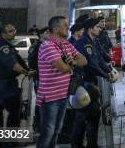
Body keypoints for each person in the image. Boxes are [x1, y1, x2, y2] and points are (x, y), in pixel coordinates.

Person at [36, 16, 87, 148]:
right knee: (47, 133)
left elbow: (84, 60)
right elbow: (63, 68)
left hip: (63, 95)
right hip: (50, 98)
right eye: (65, 25)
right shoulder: (47, 46)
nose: (68, 27)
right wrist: (72, 64)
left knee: (56, 132)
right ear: (56, 28)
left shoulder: (66, 44)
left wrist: (74, 61)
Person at [0, 23, 34, 147]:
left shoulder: (8, 46)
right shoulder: (3, 47)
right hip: (4, 84)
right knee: (14, 113)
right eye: (10, 31)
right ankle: (9, 142)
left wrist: (28, 69)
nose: (13, 32)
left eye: (14, 30)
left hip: (1, 84)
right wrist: (27, 72)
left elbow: (19, 60)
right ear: (3, 34)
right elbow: (13, 65)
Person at [72, 17, 112, 148]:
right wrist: (106, 74)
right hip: (83, 83)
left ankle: (92, 143)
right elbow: (91, 64)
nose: (100, 29)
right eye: (97, 27)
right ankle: (78, 145)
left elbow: (99, 59)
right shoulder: (84, 43)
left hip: (90, 83)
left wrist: (109, 70)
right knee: (82, 116)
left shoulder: (92, 42)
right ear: (90, 29)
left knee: (94, 113)